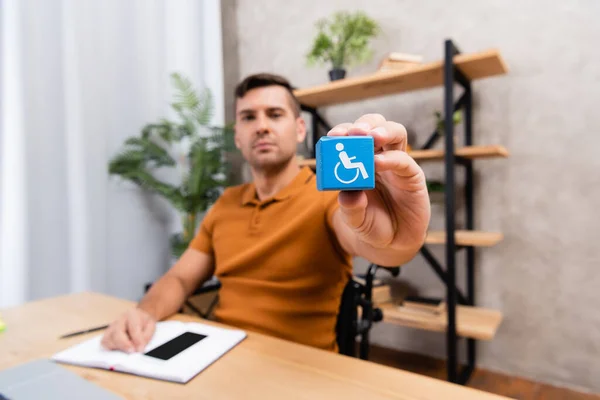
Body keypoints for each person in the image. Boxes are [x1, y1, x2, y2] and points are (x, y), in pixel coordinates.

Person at [100, 73, 431, 353]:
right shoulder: (226, 203)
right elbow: (181, 277)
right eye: (248, 117)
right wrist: (144, 313)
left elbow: (377, 245)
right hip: (219, 356)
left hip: (298, 370)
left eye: (274, 114)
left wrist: (398, 240)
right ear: (238, 138)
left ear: (300, 130)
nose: (261, 126)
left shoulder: (329, 199)